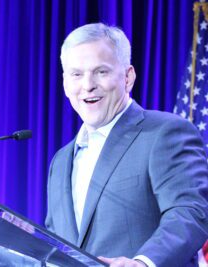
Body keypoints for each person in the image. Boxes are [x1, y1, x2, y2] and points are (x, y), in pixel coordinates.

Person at [45, 23, 208, 267]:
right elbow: (54, 242)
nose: (87, 85)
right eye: (76, 74)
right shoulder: (60, 161)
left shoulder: (164, 133)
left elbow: (190, 212)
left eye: (101, 72)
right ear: (65, 82)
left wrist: (143, 262)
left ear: (128, 77)